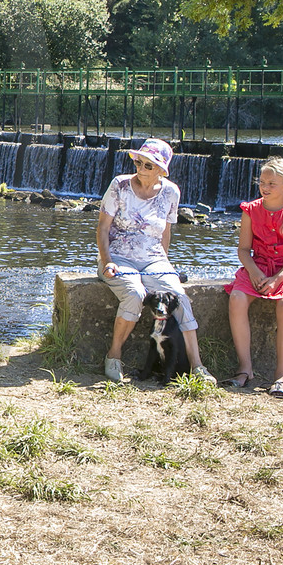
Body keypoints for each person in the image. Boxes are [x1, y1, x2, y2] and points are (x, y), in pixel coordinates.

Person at [95, 138, 215, 385]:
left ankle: (197, 366)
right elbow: (103, 228)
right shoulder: (120, 185)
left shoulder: (171, 192)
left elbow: (165, 233)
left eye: (149, 165)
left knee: (177, 295)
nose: (141, 168)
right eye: (139, 161)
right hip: (118, 256)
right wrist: (107, 261)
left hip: (153, 259)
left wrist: (165, 265)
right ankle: (114, 356)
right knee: (135, 292)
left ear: (162, 169)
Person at [223, 158, 283, 398]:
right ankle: (245, 369)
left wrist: (276, 279)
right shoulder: (251, 210)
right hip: (258, 266)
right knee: (237, 298)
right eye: (262, 182)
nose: (265, 187)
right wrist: (255, 273)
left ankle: (281, 377)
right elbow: (243, 250)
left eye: (272, 183)